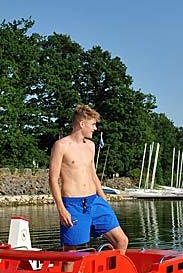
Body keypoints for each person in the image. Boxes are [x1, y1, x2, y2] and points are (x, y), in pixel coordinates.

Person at [49, 105, 128, 252]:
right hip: (73, 204)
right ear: (82, 124)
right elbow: (53, 180)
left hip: (95, 201)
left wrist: (104, 200)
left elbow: (93, 174)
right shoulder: (61, 146)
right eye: (93, 124)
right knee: (70, 252)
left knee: (121, 241)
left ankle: (113, 268)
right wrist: (61, 209)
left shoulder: (91, 146)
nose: (95, 128)